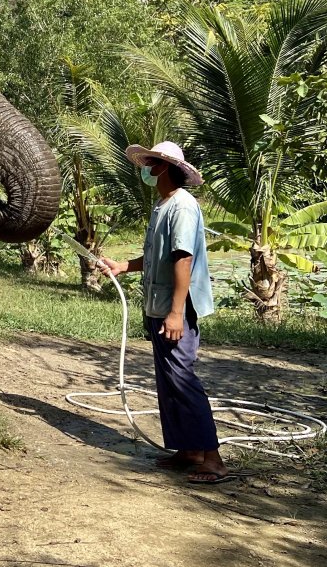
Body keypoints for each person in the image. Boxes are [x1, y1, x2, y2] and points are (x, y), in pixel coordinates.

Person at [98, 141, 233, 485]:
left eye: (151, 163)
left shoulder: (183, 207)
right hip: (157, 305)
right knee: (168, 381)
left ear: (163, 168)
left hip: (175, 310)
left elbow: (182, 258)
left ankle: (213, 459)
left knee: (183, 381)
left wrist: (176, 313)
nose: (146, 168)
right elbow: (158, 254)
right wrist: (124, 266)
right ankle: (188, 451)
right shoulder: (163, 205)